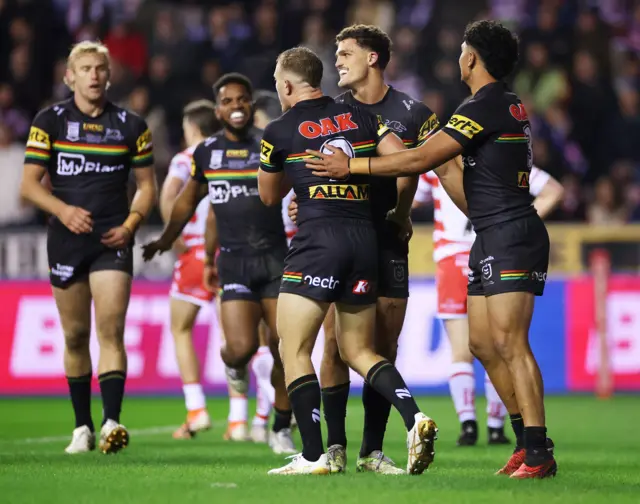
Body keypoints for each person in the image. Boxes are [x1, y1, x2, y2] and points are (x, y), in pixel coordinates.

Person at [305, 20, 558, 479]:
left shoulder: (483, 106)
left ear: (472, 58)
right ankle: (525, 440)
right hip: (490, 232)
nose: (459, 56)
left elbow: (425, 160)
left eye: (463, 49)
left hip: (508, 231)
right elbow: (457, 175)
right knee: (482, 343)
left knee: (510, 343)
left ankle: (538, 450)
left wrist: (352, 166)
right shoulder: (502, 104)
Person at [258, 46, 437, 476]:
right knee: (359, 349)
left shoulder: (279, 129)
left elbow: (268, 196)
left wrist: (299, 174)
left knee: (294, 346)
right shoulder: (363, 119)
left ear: (285, 85)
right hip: (365, 243)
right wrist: (378, 192)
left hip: (318, 241)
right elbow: (404, 163)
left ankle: (316, 456)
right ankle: (415, 418)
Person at [142, 73, 296, 454]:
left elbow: (302, 182)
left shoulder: (270, 145)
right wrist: (166, 239)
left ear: (250, 105)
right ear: (218, 110)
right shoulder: (206, 152)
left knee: (283, 347)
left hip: (276, 259)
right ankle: (234, 371)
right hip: (235, 262)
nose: (237, 106)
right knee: (239, 349)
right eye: (228, 101)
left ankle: (280, 426)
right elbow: (190, 203)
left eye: (242, 99)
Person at [19, 41, 157, 454]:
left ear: (109, 75)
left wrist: (132, 224)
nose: (94, 75)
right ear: (69, 77)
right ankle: (82, 427)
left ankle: (112, 421)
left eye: (100, 68)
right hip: (66, 239)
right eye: (85, 69)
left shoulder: (132, 125)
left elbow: (147, 187)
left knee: (111, 329)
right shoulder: (51, 121)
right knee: (76, 335)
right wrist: (63, 211)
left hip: (111, 240)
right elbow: (28, 186)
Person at [413, 164, 563, 446]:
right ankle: (497, 426)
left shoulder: (439, 159)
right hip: (497, 249)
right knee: (502, 346)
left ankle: (467, 426)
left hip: (452, 255)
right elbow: (554, 191)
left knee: (463, 350)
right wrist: (520, 221)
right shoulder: (505, 156)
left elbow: (408, 197)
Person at [160, 100, 219, 440]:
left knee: (181, 329)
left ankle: (197, 410)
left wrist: (174, 233)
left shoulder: (186, 159)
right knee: (241, 340)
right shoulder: (231, 152)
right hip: (233, 250)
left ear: (194, 129)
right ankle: (248, 419)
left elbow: (168, 193)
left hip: (197, 250)